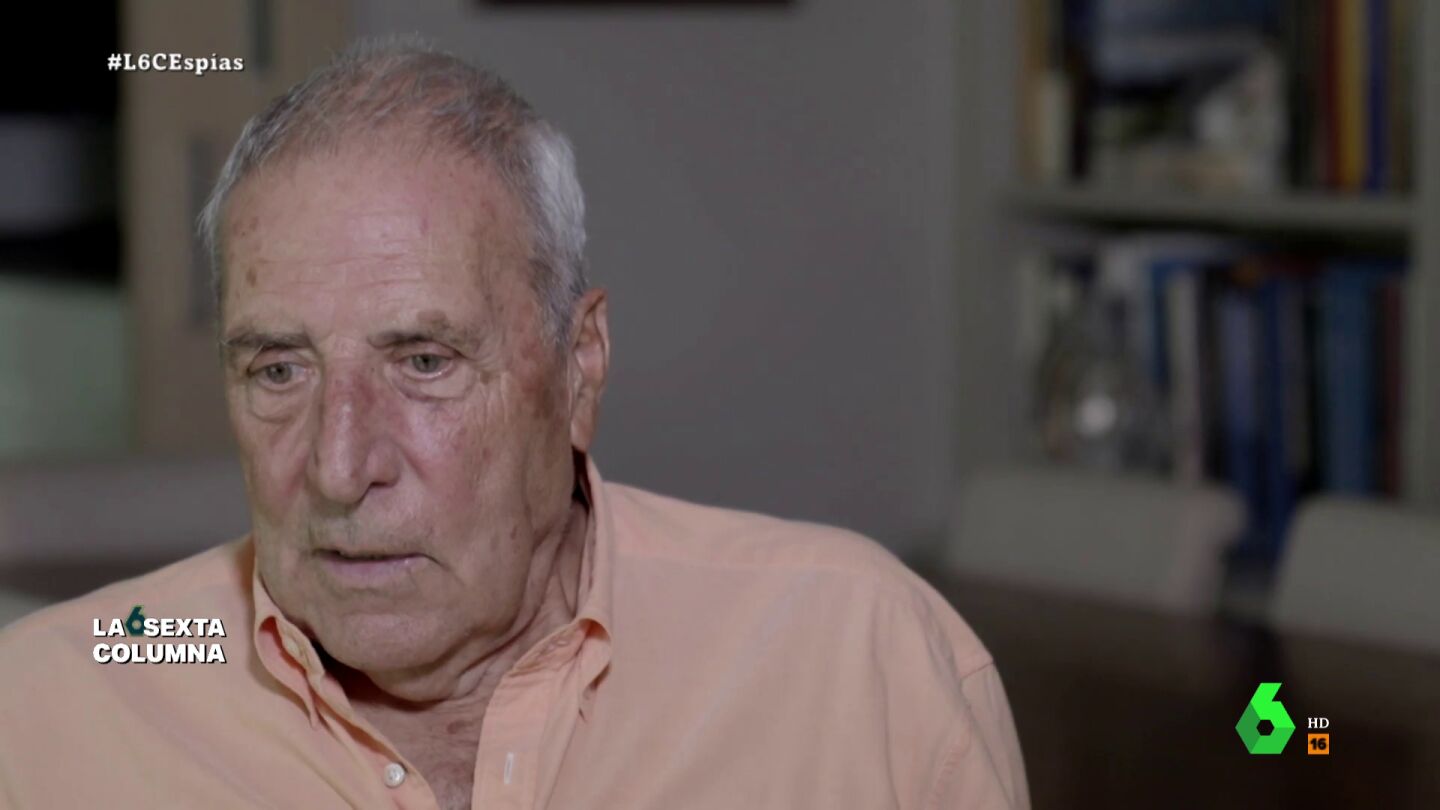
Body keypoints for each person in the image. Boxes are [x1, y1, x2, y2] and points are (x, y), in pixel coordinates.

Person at [0, 37, 1028, 809]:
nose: (340, 466)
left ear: (580, 369)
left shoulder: (858, 662)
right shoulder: (63, 703)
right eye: (279, 369)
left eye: (425, 362)